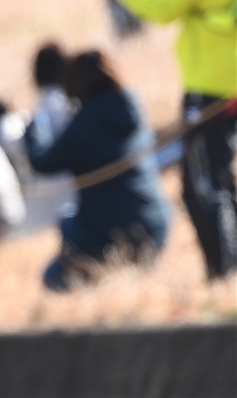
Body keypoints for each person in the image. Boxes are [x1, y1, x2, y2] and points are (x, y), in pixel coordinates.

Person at [90, 0, 237, 279]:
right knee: (219, 181)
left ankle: (223, 278)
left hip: (211, 85)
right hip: (228, 82)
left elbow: (167, 7)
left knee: (203, 189)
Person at [25, 50, 170, 291]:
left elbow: (44, 163)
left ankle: (96, 283)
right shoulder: (133, 109)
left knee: (54, 274)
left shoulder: (86, 124)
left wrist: (34, 131)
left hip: (113, 234)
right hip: (156, 224)